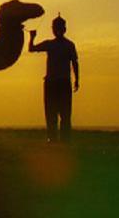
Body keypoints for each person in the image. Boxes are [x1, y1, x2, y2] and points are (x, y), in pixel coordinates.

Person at [29, 14, 79, 142]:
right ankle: (54, 137)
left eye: (58, 27)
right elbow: (31, 48)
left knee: (63, 113)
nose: (57, 30)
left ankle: (62, 138)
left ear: (63, 29)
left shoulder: (67, 45)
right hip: (54, 82)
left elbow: (74, 62)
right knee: (53, 112)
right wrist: (32, 37)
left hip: (60, 82)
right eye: (56, 27)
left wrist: (77, 79)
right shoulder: (55, 44)